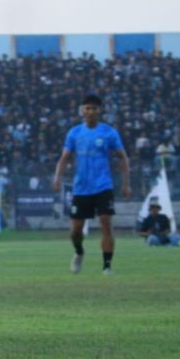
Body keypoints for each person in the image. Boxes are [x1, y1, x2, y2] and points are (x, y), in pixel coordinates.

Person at [53, 94, 131, 274]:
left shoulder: (109, 133)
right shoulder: (74, 133)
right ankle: (79, 252)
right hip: (81, 187)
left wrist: (126, 183)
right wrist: (57, 178)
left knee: (105, 223)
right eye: (87, 108)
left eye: (94, 108)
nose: (90, 111)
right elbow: (64, 159)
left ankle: (107, 266)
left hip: (103, 185)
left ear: (100, 110)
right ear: (82, 110)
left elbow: (123, 158)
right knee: (75, 231)